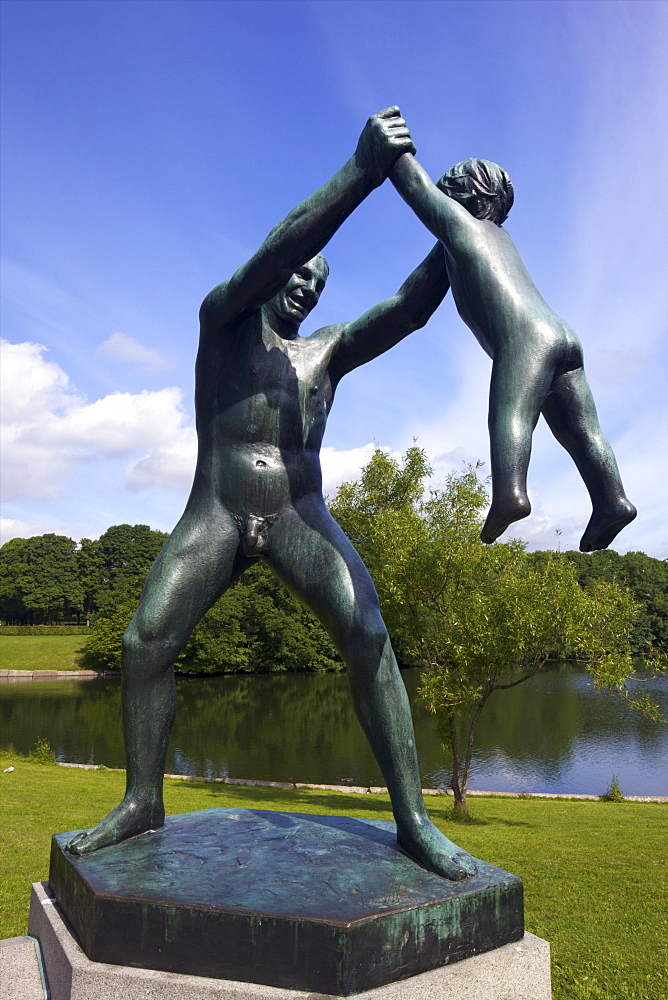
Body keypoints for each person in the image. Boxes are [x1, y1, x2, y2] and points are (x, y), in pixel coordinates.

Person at [68, 108, 478, 881]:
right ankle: (141, 801)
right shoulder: (221, 322)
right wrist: (361, 171)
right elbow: (279, 248)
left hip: (299, 514)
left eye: (316, 284)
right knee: (143, 643)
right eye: (297, 274)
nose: (303, 288)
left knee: (369, 640)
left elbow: (412, 309)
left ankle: (416, 823)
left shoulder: (326, 354)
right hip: (218, 510)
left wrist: (459, 223)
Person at [390, 154, 636, 551]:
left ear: (477, 197)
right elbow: (411, 299)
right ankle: (612, 500)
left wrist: (392, 152)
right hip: (563, 336)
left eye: (451, 184)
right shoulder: (484, 239)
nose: (441, 188)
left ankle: (510, 494)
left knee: (509, 415)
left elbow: (415, 187)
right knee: (580, 431)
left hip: (526, 339)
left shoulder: (462, 226)